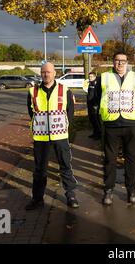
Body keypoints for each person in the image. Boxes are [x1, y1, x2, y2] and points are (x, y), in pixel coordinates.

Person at [26, 62, 79, 210]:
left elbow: (70, 111)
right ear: (40, 74)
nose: (46, 74)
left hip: (60, 136)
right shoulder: (33, 91)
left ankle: (71, 195)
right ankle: (37, 199)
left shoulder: (64, 90)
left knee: (65, 165)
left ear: (54, 73)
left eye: (48, 72)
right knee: (39, 169)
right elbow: (31, 112)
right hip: (41, 138)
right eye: (43, 72)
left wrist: (63, 127)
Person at [97, 52, 135, 205]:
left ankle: (131, 190)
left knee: (132, 159)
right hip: (111, 124)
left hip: (131, 123)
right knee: (110, 159)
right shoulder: (104, 77)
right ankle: (108, 191)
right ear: (113, 62)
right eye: (117, 61)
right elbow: (96, 99)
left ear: (127, 62)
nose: (120, 64)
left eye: (123, 61)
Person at [84, 72, 102, 139]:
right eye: (89, 77)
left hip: (95, 104)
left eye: (91, 76)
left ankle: (99, 134)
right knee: (91, 119)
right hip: (89, 104)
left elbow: (98, 94)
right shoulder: (89, 83)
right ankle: (95, 133)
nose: (90, 78)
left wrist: (96, 103)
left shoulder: (97, 84)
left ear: (95, 77)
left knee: (95, 119)